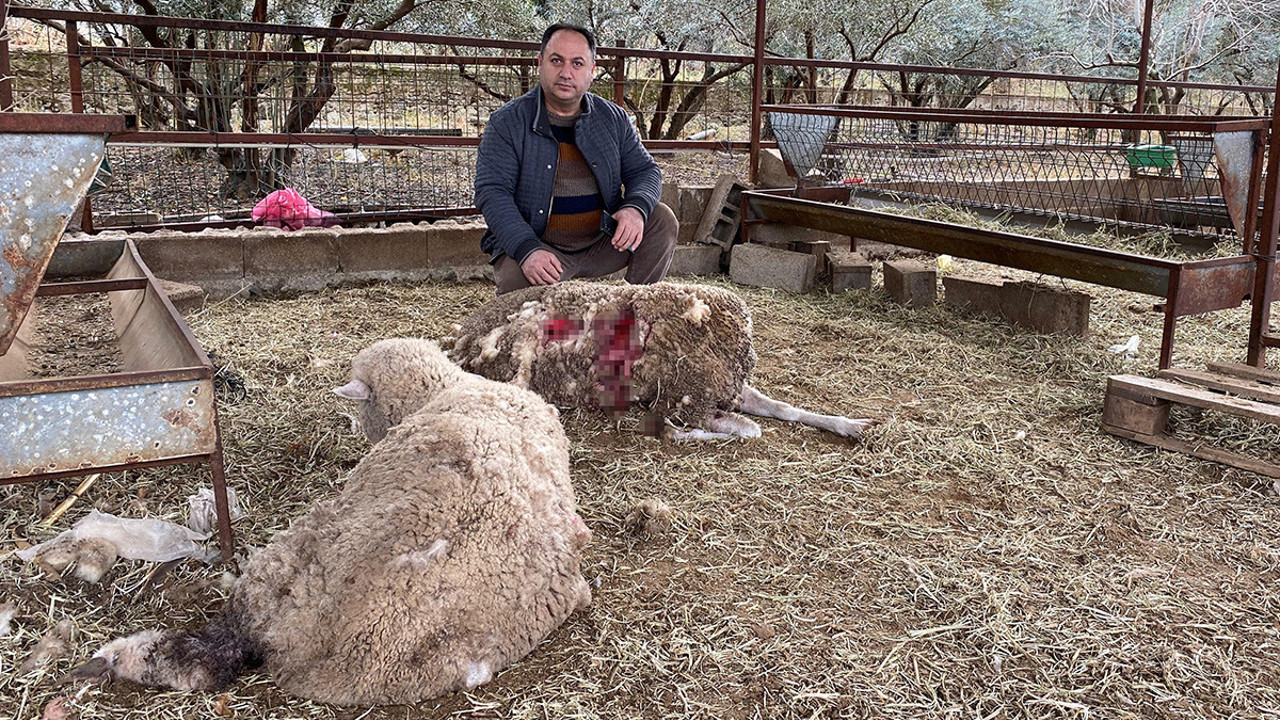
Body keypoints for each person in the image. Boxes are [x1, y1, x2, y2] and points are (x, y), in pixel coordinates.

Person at [474, 23, 677, 295]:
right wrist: (526, 249)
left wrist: (635, 208)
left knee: (660, 219)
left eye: (577, 63)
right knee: (519, 291)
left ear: (591, 71)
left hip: (605, 240)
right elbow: (492, 192)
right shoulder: (507, 123)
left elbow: (644, 170)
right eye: (556, 60)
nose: (566, 72)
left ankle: (634, 311)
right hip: (541, 246)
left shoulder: (612, 118)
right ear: (540, 63)